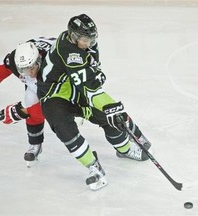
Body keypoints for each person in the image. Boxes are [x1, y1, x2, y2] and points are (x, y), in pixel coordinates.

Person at [37, 14, 153, 190]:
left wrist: (109, 108)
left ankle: (126, 148)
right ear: (74, 37)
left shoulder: (85, 43)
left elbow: (90, 77)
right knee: (64, 128)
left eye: (92, 38)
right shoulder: (70, 52)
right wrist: (108, 104)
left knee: (109, 116)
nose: (89, 43)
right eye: (85, 39)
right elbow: (91, 87)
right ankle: (93, 166)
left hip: (75, 88)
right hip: (54, 95)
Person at [0, 37, 56, 167]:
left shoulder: (52, 68)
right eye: (23, 70)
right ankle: (35, 144)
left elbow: (52, 105)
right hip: (39, 59)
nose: (28, 73)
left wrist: (22, 112)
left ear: (39, 60)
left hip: (59, 80)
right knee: (30, 99)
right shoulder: (17, 60)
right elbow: (6, 65)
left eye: (31, 68)